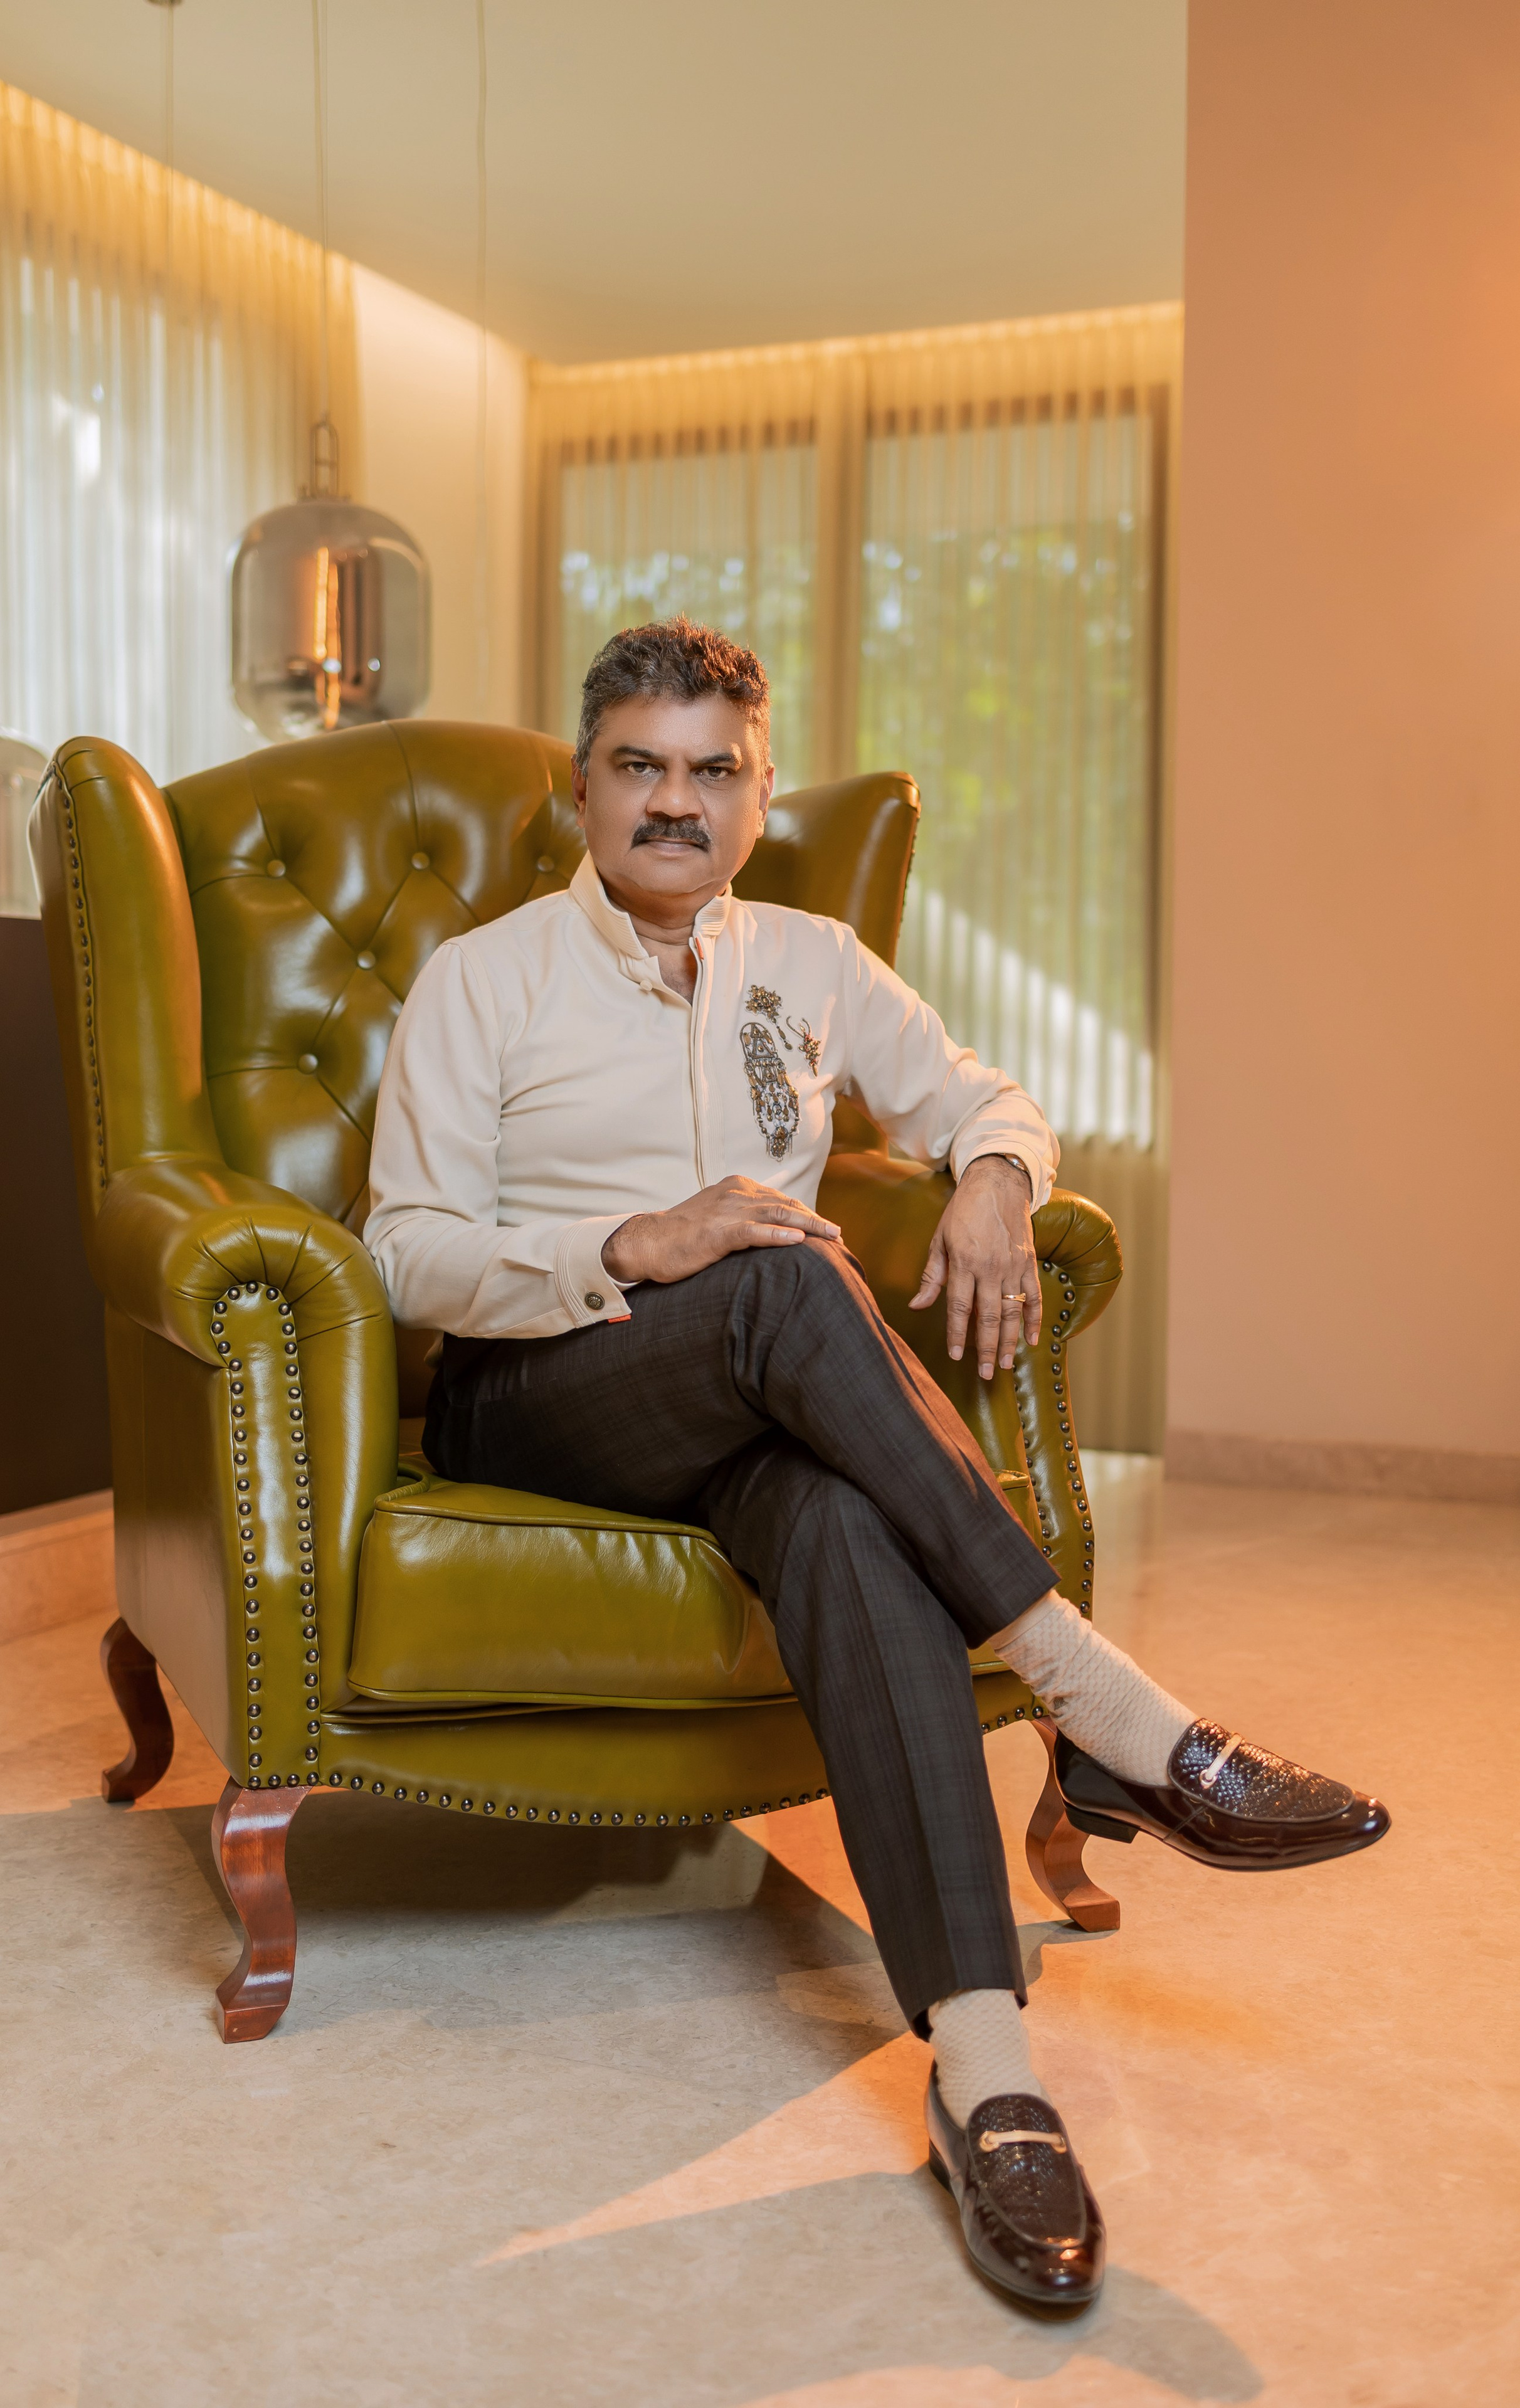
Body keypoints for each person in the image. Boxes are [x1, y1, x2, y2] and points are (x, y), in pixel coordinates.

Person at [364, 616, 1388, 2311]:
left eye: (712, 772)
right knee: (777, 1263)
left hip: (757, 1408)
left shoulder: (819, 962)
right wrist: (637, 1240)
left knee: (840, 1513)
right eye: (641, 766)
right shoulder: (485, 979)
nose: (674, 803)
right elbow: (406, 1248)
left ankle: (987, 2070)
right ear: (582, 789)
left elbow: (985, 1091)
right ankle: (1101, 1702)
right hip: (539, 1388)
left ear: (757, 797)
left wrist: (993, 1171)